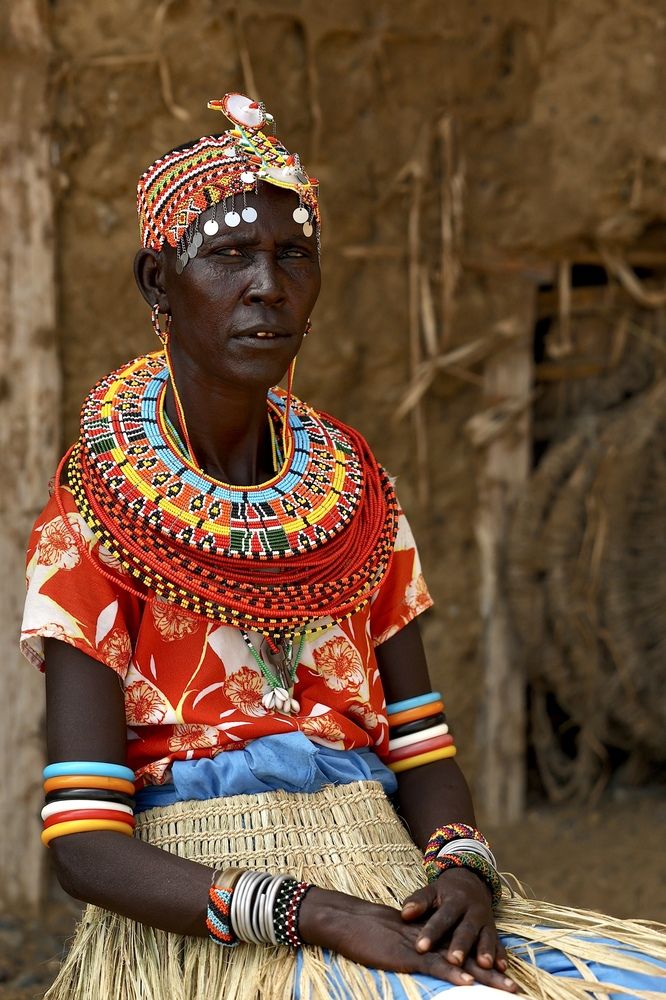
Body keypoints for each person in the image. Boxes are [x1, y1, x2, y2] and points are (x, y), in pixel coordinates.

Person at [21, 93, 666, 1000]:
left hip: (388, 888)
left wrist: (462, 874)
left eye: (294, 255)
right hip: (213, 924)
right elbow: (85, 847)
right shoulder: (94, 513)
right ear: (158, 283)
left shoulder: (354, 495)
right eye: (230, 255)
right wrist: (317, 914)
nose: (268, 286)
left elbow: (423, 749)